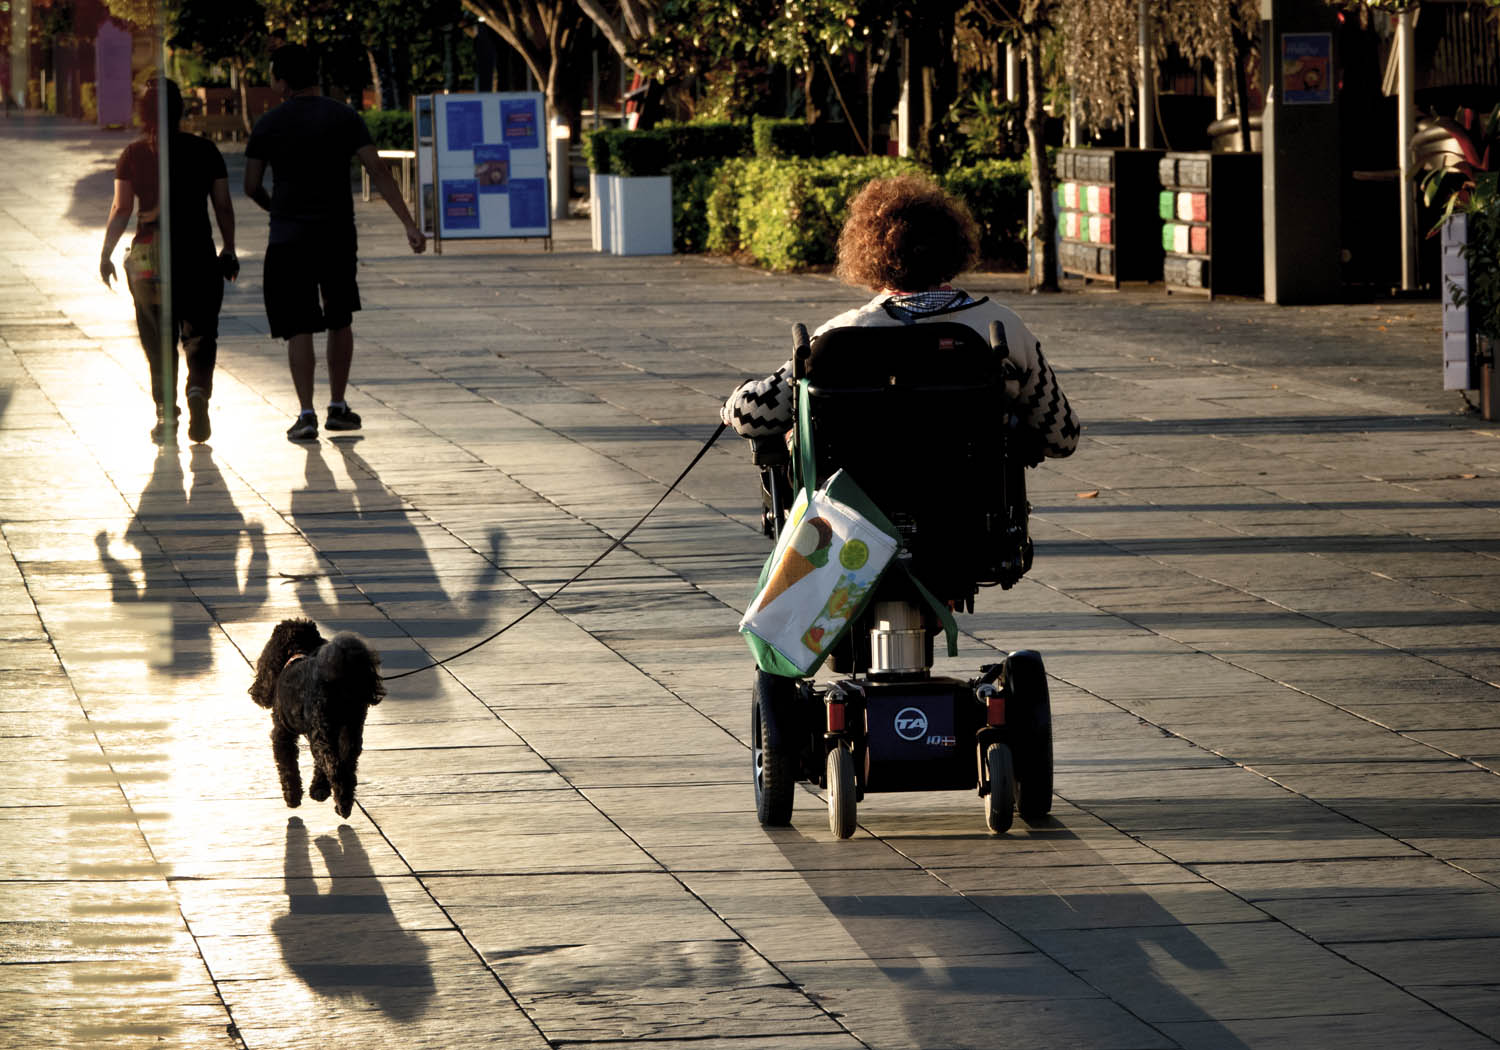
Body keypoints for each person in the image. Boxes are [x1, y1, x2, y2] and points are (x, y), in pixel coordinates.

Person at [722, 175, 1079, 462]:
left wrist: (733, 402)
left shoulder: (840, 336)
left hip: (862, 527)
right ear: (955, 246)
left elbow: (752, 414)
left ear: (868, 256)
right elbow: (1061, 437)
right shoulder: (1002, 328)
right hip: (973, 514)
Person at [243, 43, 425, 442]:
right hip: (337, 234)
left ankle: (306, 413)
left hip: (289, 236)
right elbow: (377, 170)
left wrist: (276, 208)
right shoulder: (344, 116)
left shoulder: (268, 123)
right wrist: (409, 224)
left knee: (298, 325)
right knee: (339, 316)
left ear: (283, 81)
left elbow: (251, 185)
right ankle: (338, 406)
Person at [100, 77, 237, 444]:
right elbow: (222, 204)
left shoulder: (132, 154)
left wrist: (106, 252)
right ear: (181, 110)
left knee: (156, 337)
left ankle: (166, 413)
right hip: (196, 250)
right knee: (201, 331)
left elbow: (122, 207)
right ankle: (198, 392)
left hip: (149, 254)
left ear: (142, 111)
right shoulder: (205, 151)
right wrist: (230, 248)